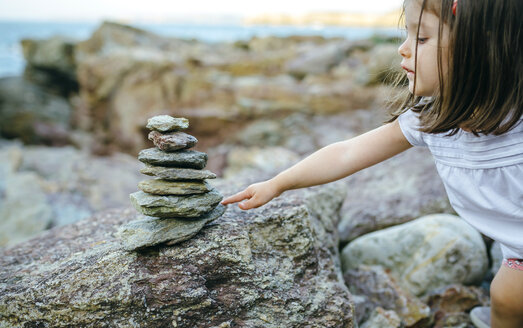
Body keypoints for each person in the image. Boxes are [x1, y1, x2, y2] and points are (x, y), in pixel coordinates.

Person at [221, 0, 523, 327]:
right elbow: (348, 153)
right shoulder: (430, 120)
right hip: (515, 250)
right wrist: (278, 183)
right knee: (505, 298)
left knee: (508, 294)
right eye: (406, 35)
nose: (402, 49)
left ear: (482, 46)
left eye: (421, 39)